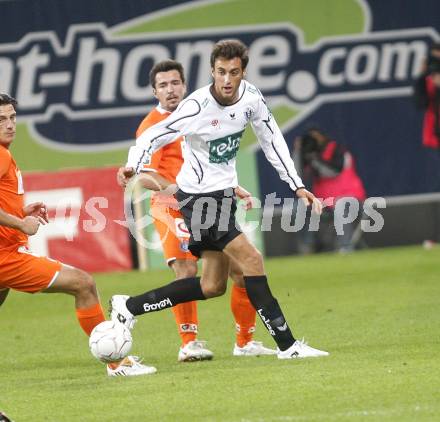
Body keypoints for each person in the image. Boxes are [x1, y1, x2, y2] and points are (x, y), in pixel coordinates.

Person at [112, 39, 329, 360]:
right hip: (199, 200)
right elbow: (152, 135)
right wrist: (134, 165)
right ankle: (288, 346)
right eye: (221, 72)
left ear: (243, 72)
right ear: (212, 71)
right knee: (252, 260)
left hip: (222, 196)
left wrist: (296, 185)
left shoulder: (251, 99)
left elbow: (272, 140)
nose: (227, 80)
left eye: (234, 72)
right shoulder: (196, 106)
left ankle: (128, 307)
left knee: (212, 285)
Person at [118, 60, 275, 360]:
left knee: (242, 271)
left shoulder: (200, 113)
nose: (170, 90)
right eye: (163, 85)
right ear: (154, 92)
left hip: (206, 204)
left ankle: (244, 342)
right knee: (186, 268)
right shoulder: (152, 125)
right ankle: (188, 342)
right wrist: (183, 192)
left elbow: (211, 163)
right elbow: (146, 177)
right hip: (171, 207)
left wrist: (230, 188)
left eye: (175, 83)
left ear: (185, 85)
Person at [0, 93, 155, 377]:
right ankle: (117, 362)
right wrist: (21, 225)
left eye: (12, 117)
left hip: (6, 251)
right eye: (1, 119)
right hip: (6, 256)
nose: (9, 125)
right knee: (83, 283)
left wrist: (20, 211)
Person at [293, 128, 366, 253]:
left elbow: (333, 172)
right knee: (299, 207)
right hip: (325, 203)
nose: (313, 142)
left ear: (323, 137)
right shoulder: (310, 154)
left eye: (315, 138)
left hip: (351, 198)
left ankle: (345, 247)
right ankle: (308, 249)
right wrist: (298, 151)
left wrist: (314, 158)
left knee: (341, 205)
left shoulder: (337, 150)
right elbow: (296, 175)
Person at [413, 43, 440, 149]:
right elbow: (421, 104)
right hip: (435, 138)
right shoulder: (427, 82)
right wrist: (422, 75)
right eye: (434, 59)